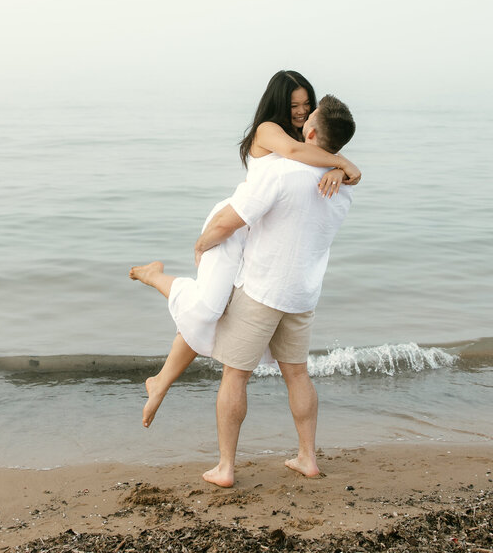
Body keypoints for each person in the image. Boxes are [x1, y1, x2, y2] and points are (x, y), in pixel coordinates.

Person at [128, 71, 360, 428]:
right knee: (206, 307)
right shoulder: (270, 130)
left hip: (262, 234)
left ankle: (159, 381)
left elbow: (318, 155)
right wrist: (342, 163)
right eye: (294, 105)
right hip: (234, 224)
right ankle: (155, 278)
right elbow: (300, 153)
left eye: (307, 105)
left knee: (215, 313)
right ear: (279, 103)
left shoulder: (311, 143)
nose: (301, 112)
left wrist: (341, 169)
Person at [195, 94, 356, 488]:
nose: (300, 120)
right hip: (303, 296)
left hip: (263, 291)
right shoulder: (344, 188)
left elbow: (229, 222)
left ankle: (226, 468)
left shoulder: (281, 173)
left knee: (234, 377)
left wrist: (201, 245)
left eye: (307, 118)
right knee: (298, 375)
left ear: (312, 131)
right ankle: (307, 457)